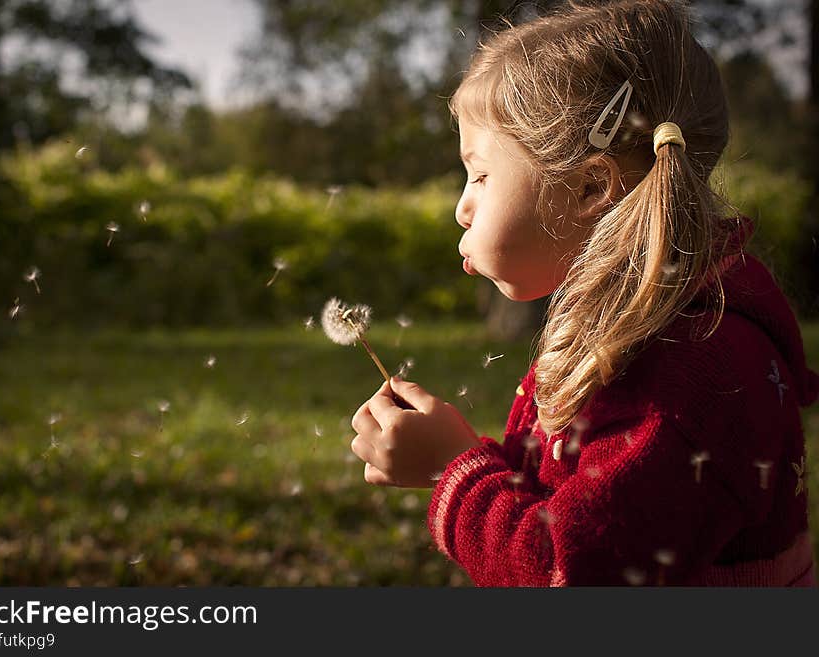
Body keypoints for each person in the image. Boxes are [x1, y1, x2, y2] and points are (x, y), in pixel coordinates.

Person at [349, 0, 818, 586]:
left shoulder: (686, 378)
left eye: (482, 175)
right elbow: (575, 494)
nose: (461, 208)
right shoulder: (643, 328)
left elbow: (572, 571)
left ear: (593, 184)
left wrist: (454, 470)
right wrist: (462, 457)